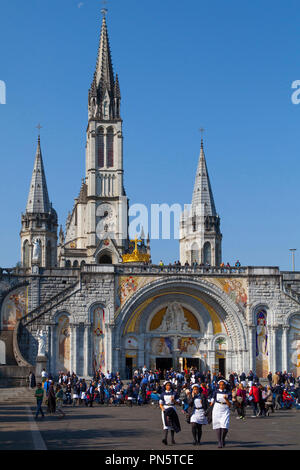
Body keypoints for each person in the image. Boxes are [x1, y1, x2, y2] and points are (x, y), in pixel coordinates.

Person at [210, 380, 231, 448]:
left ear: (225, 385)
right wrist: (211, 403)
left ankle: (223, 439)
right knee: (218, 425)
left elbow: (229, 405)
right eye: (220, 385)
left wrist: (226, 399)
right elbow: (212, 399)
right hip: (217, 408)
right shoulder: (216, 391)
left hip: (225, 409)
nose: (221, 386)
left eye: (223, 385)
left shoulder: (228, 392)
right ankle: (219, 441)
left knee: (225, 427)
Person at [159, 381, 181, 446]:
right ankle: (165, 439)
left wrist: (174, 400)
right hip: (165, 408)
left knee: (172, 423)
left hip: (172, 407)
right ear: (165, 386)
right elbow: (160, 404)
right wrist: (163, 409)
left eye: (169, 385)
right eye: (167, 385)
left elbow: (178, 403)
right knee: (166, 423)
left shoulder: (174, 393)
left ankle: (172, 439)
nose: (168, 387)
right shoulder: (162, 394)